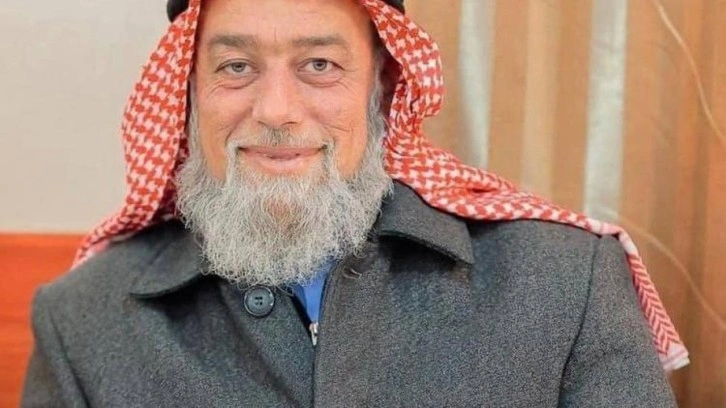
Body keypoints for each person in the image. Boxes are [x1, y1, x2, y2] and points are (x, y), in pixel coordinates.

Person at [22, 0, 687, 406]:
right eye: (236, 67)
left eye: (319, 65)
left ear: (383, 87)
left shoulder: (567, 282)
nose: (275, 110)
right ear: (190, 94)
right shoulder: (84, 322)